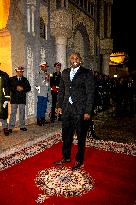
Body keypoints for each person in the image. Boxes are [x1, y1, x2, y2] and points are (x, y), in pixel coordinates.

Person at [54, 52, 95, 171]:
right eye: (72, 58)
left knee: (81, 136)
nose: (74, 60)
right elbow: (61, 90)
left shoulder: (86, 73)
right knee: (66, 134)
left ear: (80, 60)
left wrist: (88, 111)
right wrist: (59, 105)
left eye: (77, 58)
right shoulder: (65, 72)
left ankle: (79, 159)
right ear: (69, 60)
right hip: (67, 109)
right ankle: (66, 156)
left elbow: (90, 93)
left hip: (81, 110)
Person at [8, 66, 31, 133]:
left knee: (22, 112)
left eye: (22, 71)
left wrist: (23, 88)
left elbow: (29, 88)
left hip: (22, 99)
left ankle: (22, 126)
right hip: (14, 98)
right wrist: (16, 87)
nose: (21, 73)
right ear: (16, 72)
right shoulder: (12, 79)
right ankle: (11, 127)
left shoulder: (25, 79)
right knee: (13, 113)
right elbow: (9, 87)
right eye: (19, 71)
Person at [0, 64, 10, 136]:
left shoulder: (4, 75)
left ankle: (5, 127)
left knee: (3, 113)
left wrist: (7, 98)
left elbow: (7, 87)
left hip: (2, 98)